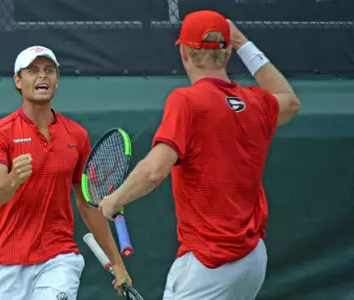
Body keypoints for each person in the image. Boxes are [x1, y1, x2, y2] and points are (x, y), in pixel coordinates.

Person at [98, 10, 300, 300]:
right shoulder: (256, 102)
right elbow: (291, 102)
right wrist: (243, 43)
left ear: (185, 54)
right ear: (228, 54)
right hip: (253, 258)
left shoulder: (186, 101)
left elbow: (155, 170)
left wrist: (115, 200)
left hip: (210, 262)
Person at [0, 45, 131, 300]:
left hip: (58, 256)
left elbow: (88, 204)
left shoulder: (76, 135)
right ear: (18, 80)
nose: (43, 76)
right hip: (6, 260)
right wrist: (14, 178)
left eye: (50, 70)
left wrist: (117, 263)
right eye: (33, 70)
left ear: (57, 81)